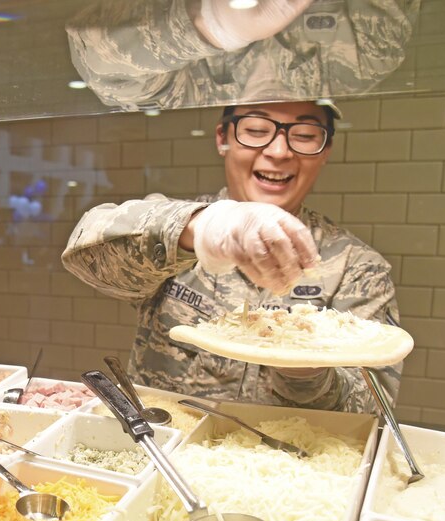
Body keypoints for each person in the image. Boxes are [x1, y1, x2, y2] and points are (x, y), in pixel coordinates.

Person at [62, 99, 401, 413]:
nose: (279, 151)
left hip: (292, 454)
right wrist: (201, 229)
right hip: (165, 445)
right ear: (223, 138)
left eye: (304, 135)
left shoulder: (357, 267)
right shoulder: (182, 226)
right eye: (256, 130)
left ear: (325, 150)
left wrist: (305, 371)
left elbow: (372, 411)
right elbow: (86, 254)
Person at [67, 0, 420, 112]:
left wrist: (213, 24)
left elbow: (99, 62)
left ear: (224, 138)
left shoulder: (193, 92)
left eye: (255, 133)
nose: (278, 150)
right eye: (305, 137)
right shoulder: (360, 64)